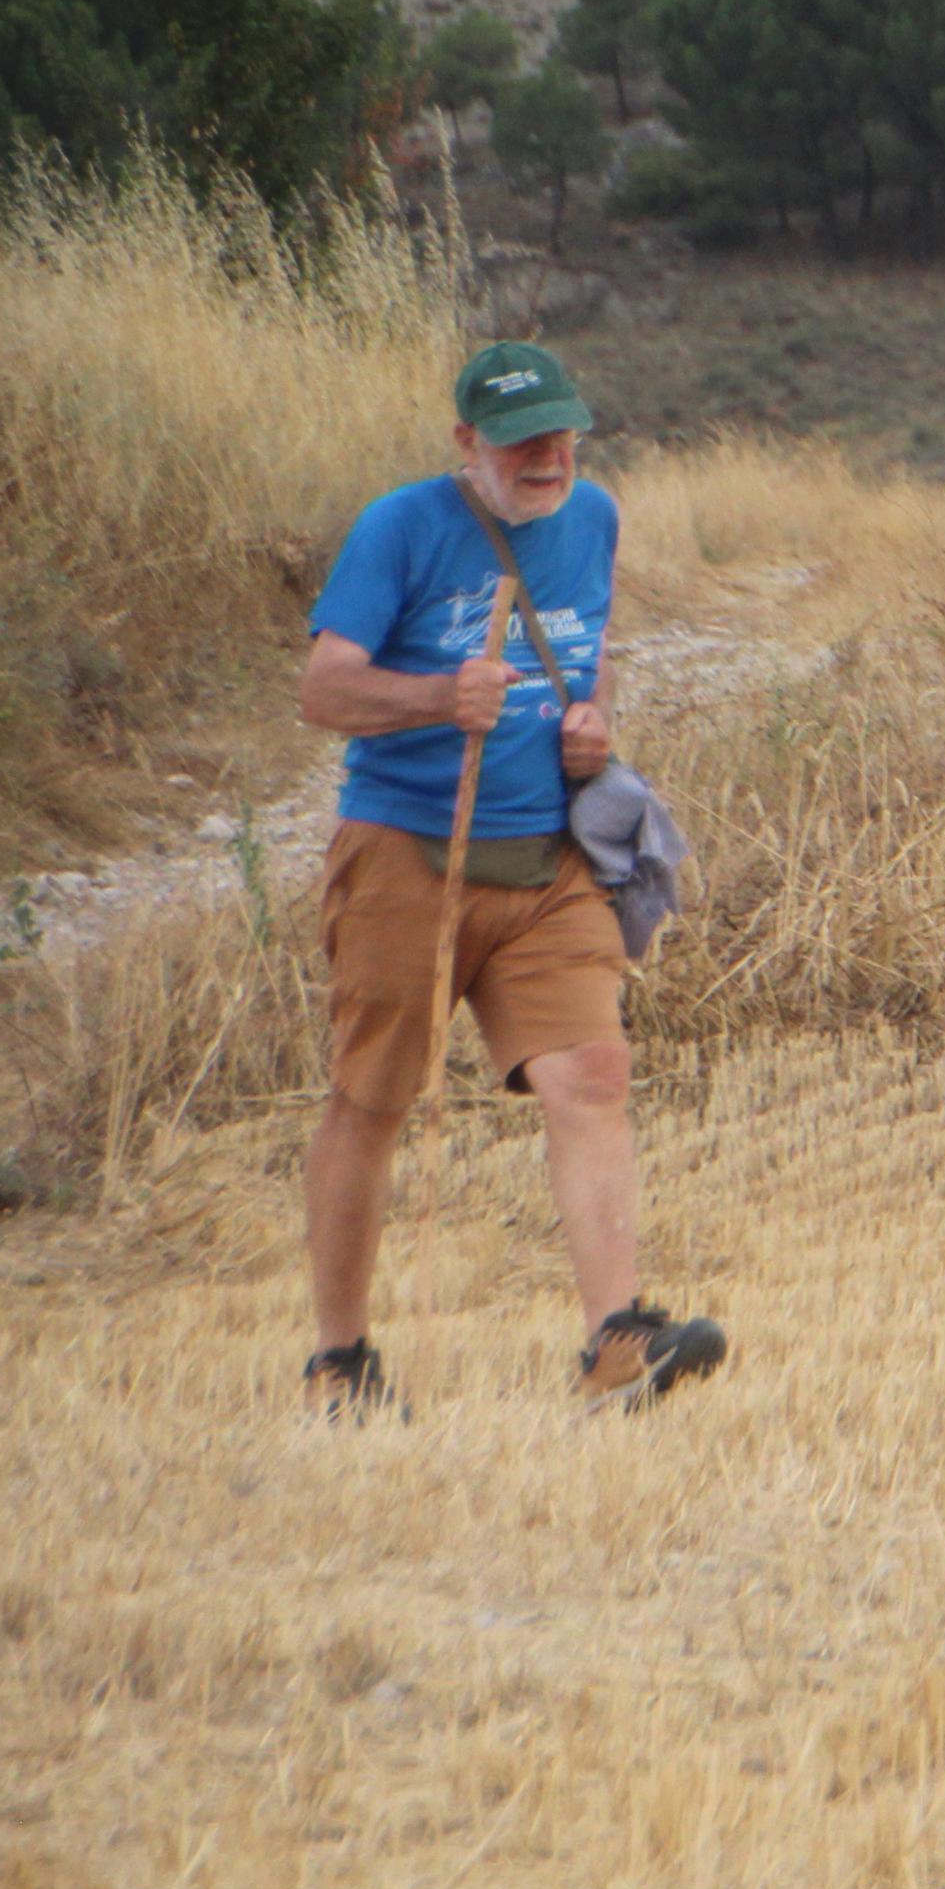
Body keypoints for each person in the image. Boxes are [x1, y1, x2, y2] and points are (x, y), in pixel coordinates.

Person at [293, 341, 727, 1414]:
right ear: (465, 441)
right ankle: (340, 1362)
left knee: (592, 1074)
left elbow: (592, 647)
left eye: (562, 433)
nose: (547, 455)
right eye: (523, 438)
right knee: (370, 1100)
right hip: (406, 852)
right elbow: (325, 689)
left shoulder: (595, 518)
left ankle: (617, 1346)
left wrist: (595, 724)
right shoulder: (399, 526)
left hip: (548, 859)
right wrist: (442, 697)